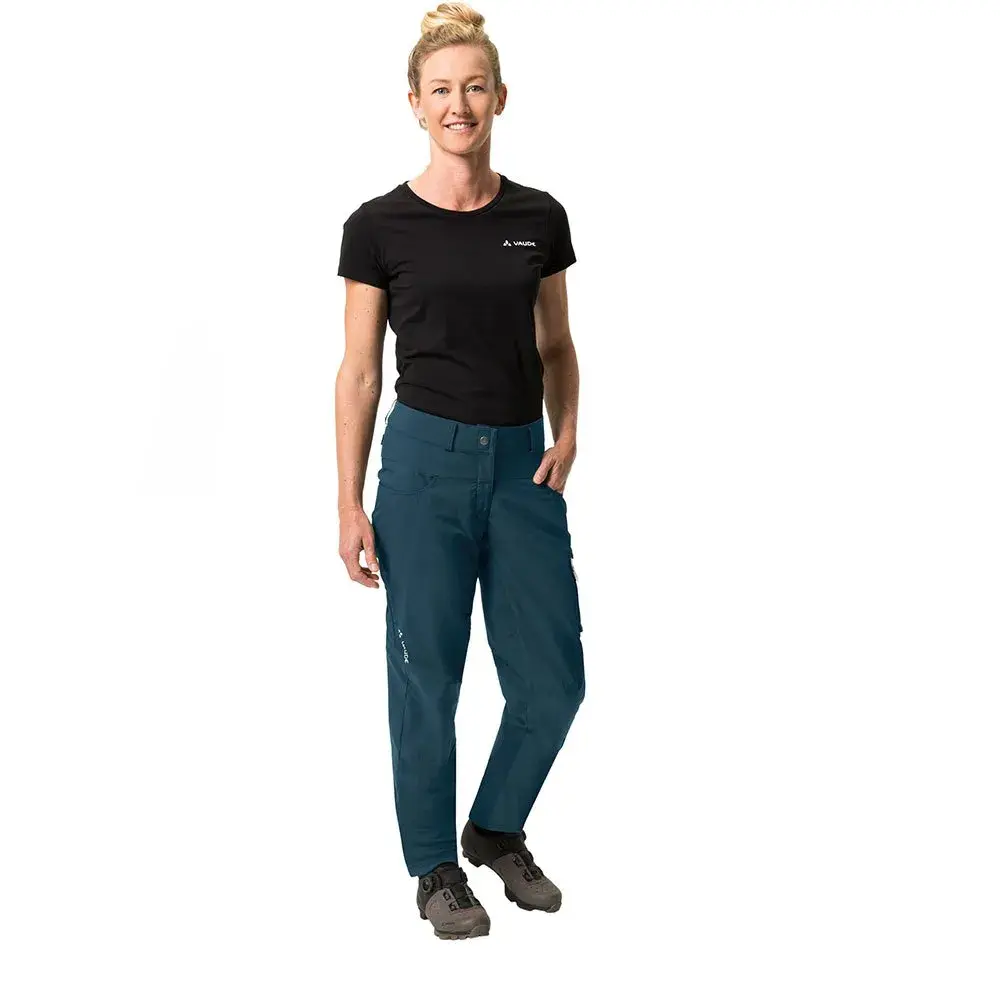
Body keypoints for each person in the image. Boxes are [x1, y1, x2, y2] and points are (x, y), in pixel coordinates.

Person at [334, 2, 584, 940]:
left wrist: (569, 431)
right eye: (441, 89)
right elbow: (360, 372)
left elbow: (556, 343)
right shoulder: (378, 227)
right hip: (422, 472)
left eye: (475, 87)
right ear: (414, 101)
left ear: (501, 97)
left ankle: (495, 827)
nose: (459, 105)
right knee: (427, 681)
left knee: (553, 683)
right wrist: (348, 502)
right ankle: (437, 866)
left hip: (523, 470)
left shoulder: (538, 217)